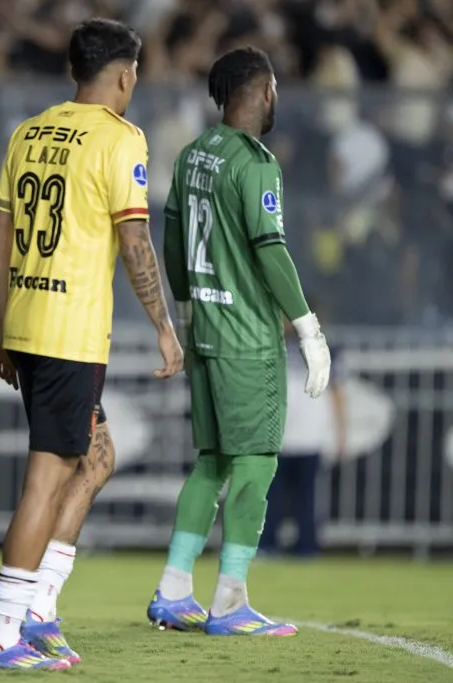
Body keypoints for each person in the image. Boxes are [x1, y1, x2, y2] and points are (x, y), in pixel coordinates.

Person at [0, 18, 183, 670]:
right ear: (126, 76)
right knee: (46, 480)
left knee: (96, 457)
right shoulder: (122, 139)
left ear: (73, 70)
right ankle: (3, 633)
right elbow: (135, 240)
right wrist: (163, 324)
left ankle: (39, 608)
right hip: (70, 334)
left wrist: (5, 327)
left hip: (28, 324)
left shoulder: (29, 131)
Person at [149, 46, 331, 637]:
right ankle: (229, 601)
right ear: (265, 90)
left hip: (204, 332)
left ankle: (173, 590)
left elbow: (172, 238)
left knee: (212, 463)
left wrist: (185, 311)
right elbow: (269, 249)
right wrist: (307, 327)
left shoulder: (193, 154)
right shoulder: (256, 164)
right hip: (247, 337)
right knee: (255, 462)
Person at [261, 308, 347, 557]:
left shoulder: (325, 348)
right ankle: (267, 544)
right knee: (270, 496)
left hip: (311, 435)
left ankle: (307, 547)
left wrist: (340, 432)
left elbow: (337, 392)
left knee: (307, 497)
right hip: (277, 435)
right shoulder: (270, 344)